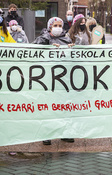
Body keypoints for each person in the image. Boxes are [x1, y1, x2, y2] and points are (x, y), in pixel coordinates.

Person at [33, 17, 74, 145]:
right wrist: (48, 46)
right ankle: (46, 134)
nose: (58, 27)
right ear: (50, 26)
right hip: (47, 78)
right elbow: (34, 48)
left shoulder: (66, 39)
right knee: (48, 107)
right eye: (55, 25)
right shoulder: (43, 38)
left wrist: (71, 49)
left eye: (59, 25)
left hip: (63, 78)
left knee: (63, 106)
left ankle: (64, 133)